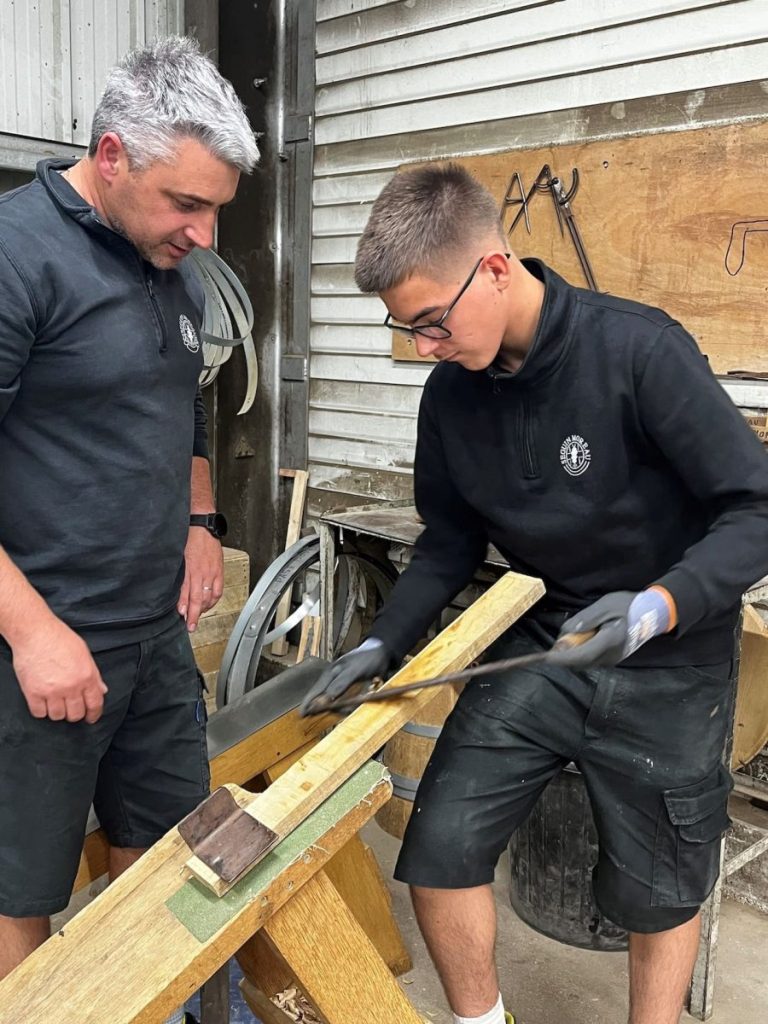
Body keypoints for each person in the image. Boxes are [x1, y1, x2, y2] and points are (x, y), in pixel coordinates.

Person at [301, 163, 768, 1024]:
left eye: (432, 323)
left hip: (672, 655)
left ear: (495, 267)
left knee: (661, 890)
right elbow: (447, 546)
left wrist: (657, 606)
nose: (422, 349)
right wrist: (377, 646)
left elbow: (754, 508)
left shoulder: (639, 352)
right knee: (438, 848)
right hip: (549, 645)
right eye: (404, 330)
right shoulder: (450, 400)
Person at [0, 36, 258, 1024]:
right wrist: (32, 632)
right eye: (183, 203)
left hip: (153, 638)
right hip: (44, 648)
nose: (200, 231)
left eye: (214, 210)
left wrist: (201, 518)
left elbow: (180, 400)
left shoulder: (171, 267)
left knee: (174, 851)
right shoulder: (18, 257)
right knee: (22, 887)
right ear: (112, 156)